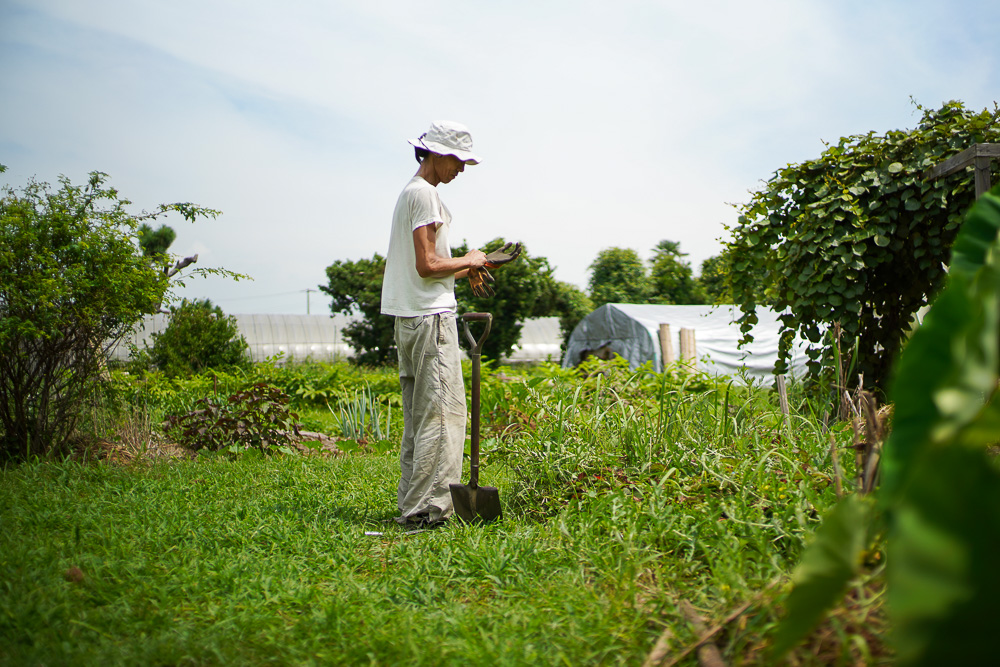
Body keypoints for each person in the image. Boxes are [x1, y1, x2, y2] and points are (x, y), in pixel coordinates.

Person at [380, 120, 518, 527]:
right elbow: (428, 266)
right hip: (430, 321)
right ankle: (431, 510)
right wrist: (470, 259)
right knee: (444, 415)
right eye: (457, 160)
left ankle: (413, 505)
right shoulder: (425, 195)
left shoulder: (411, 193)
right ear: (436, 154)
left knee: (421, 417)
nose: (460, 169)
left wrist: (476, 263)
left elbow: (432, 269)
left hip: (410, 319)